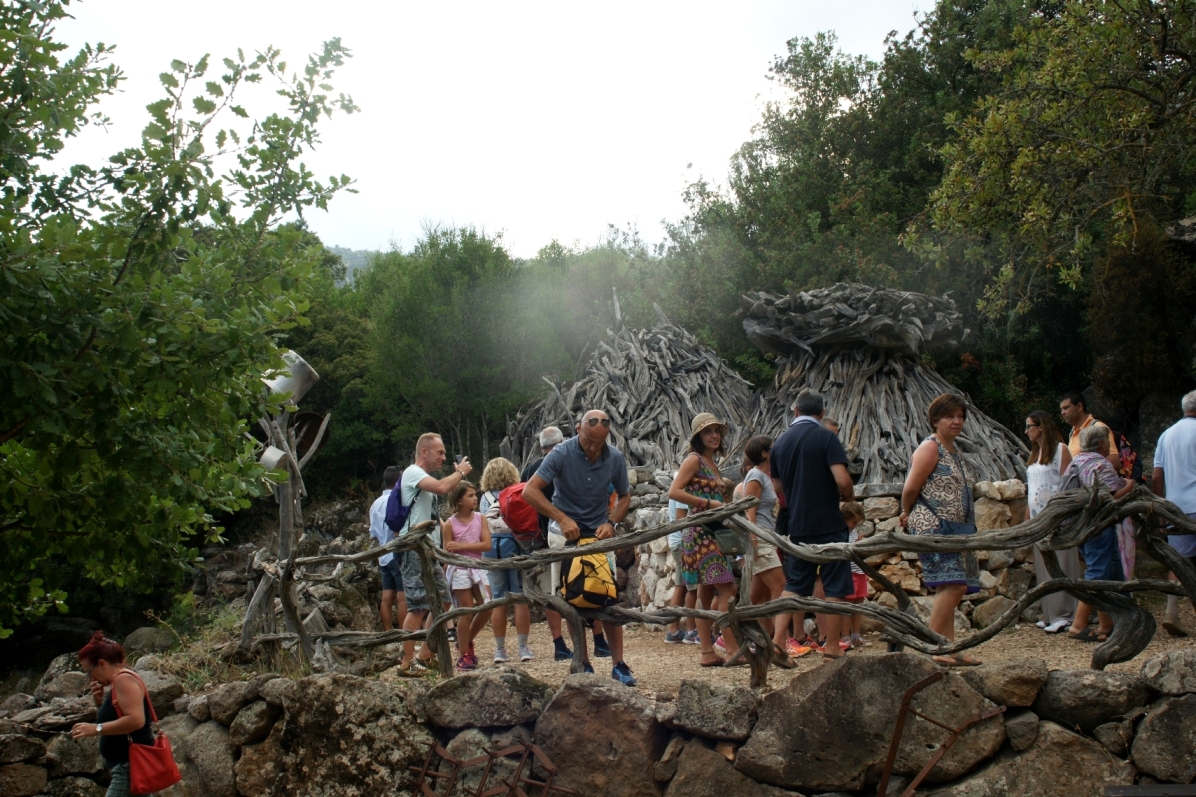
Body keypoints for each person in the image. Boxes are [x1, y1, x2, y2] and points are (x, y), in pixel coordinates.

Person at [523, 409, 637, 686]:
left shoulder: (616, 457)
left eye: (605, 423)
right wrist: (561, 518)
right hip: (565, 535)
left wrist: (612, 522)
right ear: (578, 428)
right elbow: (530, 490)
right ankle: (582, 661)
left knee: (608, 595)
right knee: (570, 597)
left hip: (598, 534)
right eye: (593, 423)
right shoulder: (561, 453)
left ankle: (618, 664)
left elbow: (624, 496)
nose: (599, 429)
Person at [770, 390, 856, 663]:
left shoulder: (779, 443)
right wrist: (848, 495)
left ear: (795, 411)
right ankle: (831, 646)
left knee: (795, 584)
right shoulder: (827, 437)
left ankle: (777, 642)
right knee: (834, 587)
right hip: (829, 523)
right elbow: (842, 481)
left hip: (797, 525)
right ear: (821, 413)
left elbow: (778, 487)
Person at [899, 393, 982, 667]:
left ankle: (952, 648)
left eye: (960, 416)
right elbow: (911, 487)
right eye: (950, 416)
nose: (957, 421)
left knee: (952, 585)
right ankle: (934, 646)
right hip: (934, 526)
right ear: (936, 420)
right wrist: (906, 512)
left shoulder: (954, 451)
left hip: (958, 530)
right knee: (954, 583)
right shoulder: (930, 447)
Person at [669, 413, 741, 668]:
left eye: (716, 431)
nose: (714, 435)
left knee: (706, 591)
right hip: (700, 530)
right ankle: (731, 648)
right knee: (728, 589)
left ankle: (707, 652)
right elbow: (674, 491)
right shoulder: (694, 460)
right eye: (707, 432)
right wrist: (708, 503)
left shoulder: (711, 462)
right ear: (698, 437)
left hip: (710, 530)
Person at [397, 433, 472, 676]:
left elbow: (431, 518)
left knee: (444, 599)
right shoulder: (412, 473)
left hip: (427, 551)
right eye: (439, 452)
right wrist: (460, 472)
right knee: (417, 607)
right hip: (414, 550)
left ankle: (425, 655)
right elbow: (442, 486)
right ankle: (406, 664)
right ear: (424, 452)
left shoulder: (423, 479)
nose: (443, 456)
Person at [1067, 424, 1134, 642]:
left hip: (1081, 525)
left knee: (1112, 570)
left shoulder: (1076, 462)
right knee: (1098, 572)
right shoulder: (1100, 464)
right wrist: (1130, 487)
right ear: (1102, 444)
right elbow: (1111, 497)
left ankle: (1110, 623)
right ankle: (1078, 625)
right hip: (1099, 525)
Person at [70, 632, 155, 797]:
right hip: (128, 766)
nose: (90, 677)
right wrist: (99, 702)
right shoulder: (118, 683)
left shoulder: (124, 680)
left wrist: (96, 729)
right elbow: (118, 717)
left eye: (89, 671)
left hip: (129, 767)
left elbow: (136, 720)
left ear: (102, 664)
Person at [1023, 410, 1082, 633]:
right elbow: (1033, 489)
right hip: (1039, 518)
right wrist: (1028, 517)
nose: (1027, 431)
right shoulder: (1035, 453)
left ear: (1041, 427)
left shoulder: (1060, 450)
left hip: (1057, 518)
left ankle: (1065, 614)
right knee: (1044, 565)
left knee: (1063, 564)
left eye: (1030, 426)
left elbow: (1068, 483)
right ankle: (1049, 614)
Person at [522, 426, 573, 661]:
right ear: (562, 442)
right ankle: (587, 639)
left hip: (540, 538)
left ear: (541, 446)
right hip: (567, 533)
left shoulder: (531, 469)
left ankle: (559, 644)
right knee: (575, 585)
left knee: (552, 591)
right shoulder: (567, 462)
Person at [478, 457, 535, 662]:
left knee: (498, 601)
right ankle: (523, 648)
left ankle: (500, 650)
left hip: (492, 551)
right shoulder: (516, 493)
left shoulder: (484, 498)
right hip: (515, 548)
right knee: (520, 599)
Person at [1153, 390, 1196, 637]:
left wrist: (1162, 508)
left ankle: (1171, 611)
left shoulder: (1166, 435)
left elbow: (1157, 476)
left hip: (1176, 506)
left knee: (1179, 561)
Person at [741, 436, 790, 651]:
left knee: (756, 596)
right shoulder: (755, 475)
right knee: (779, 586)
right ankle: (781, 639)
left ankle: (741, 633)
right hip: (759, 537)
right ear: (764, 453)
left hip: (766, 535)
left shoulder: (766, 476)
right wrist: (754, 541)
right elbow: (748, 509)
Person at [443, 481, 492, 670]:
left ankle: (466, 641)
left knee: (487, 606)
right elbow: (447, 551)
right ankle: (464, 654)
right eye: (470, 496)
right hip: (459, 570)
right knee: (466, 610)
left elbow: (487, 544)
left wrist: (462, 546)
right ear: (459, 500)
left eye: (475, 495)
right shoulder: (449, 524)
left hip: (478, 567)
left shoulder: (481, 518)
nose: (475, 498)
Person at [369, 466, 408, 632]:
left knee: (386, 598)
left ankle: (387, 633)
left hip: (383, 554)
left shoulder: (375, 504)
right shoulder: (396, 500)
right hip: (397, 553)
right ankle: (404, 634)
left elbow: (373, 534)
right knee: (403, 598)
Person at [663, 493, 700, 644]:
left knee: (681, 586)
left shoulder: (679, 483)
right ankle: (692, 631)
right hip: (684, 543)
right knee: (693, 587)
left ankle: (674, 631)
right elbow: (681, 517)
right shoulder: (685, 487)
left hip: (677, 542)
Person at [840, 501, 871, 649]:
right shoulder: (841, 533)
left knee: (858, 605)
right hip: (849, 572)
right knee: (847, 606)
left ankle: (856, 635)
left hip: (859, 572)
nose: (854, 525)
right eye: (853, 522)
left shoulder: (853, 533)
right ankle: (845, 637)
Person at [1060, 392, 1119, 469]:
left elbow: (1114, 460)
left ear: (1079, 406)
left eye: (1066, 408)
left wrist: (1085, 474)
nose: (1062, 413)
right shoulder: (1072, 432)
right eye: (1061, 409)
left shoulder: (1097, 427)